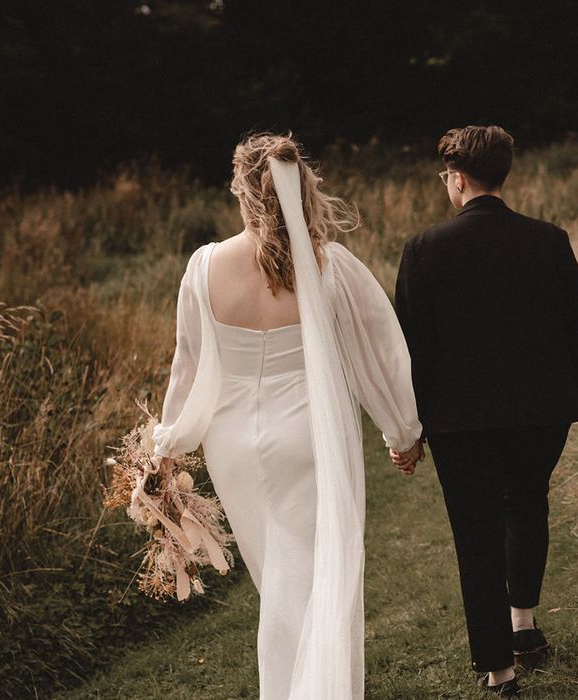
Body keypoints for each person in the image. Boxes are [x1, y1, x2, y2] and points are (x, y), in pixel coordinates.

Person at [151, 133, 423, 700]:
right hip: (308, 433)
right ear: (303, 188)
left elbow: (188, 366)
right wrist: (403, 431)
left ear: (241, 191)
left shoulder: (204, 267)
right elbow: (381, 351)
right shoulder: (331, 265)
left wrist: (167, 444)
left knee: (278, 579)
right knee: (319, 579)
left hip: (234, 448)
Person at [392, 125, 578, 697]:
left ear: (457, 178)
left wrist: (408, 429)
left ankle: (501, 669)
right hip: (542, 414)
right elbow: (576, 330)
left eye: (446, 175)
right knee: (527, 504)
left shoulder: (423, 249)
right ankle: (523, 626)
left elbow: (412, 350)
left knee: (476, 535)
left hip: (461, 423)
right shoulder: (549, 240)